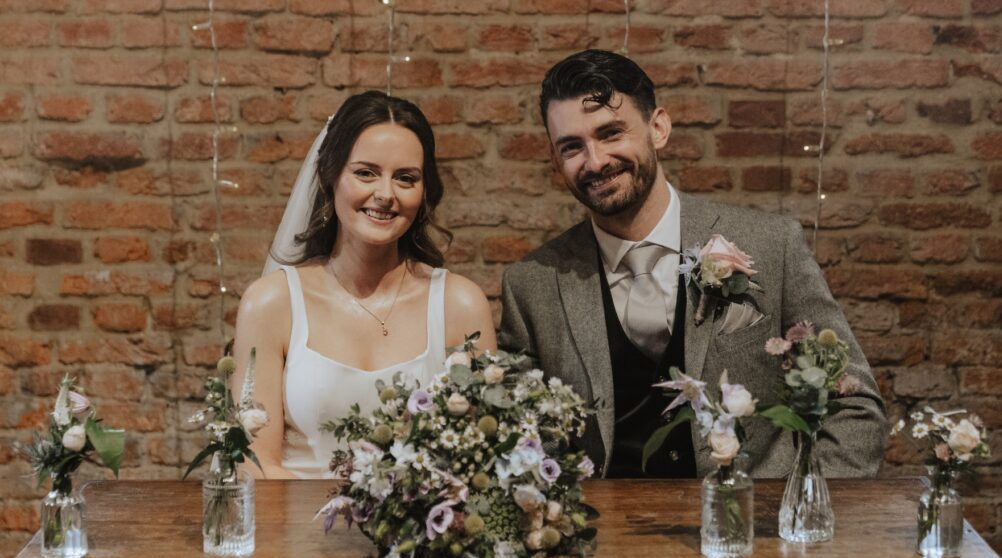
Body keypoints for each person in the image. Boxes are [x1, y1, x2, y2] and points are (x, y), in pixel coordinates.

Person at [498, 49, 887, 479]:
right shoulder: (531, 285)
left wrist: (793, 511)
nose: (595, 162)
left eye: (610, 133)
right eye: (572, 147)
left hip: (752, 528)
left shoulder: (772, 245)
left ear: (659, 128)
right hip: (603, 537)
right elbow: (523, 440)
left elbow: (853, 405)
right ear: (555, 160)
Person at [233, 91, 496, 479]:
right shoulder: (272, 303)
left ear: (424, 193)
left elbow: (483, 460)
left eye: (405, 178)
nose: (385, 194)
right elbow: (255, 464)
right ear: (331, 176)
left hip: (421, 534)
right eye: (366, 173)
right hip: (294, 530)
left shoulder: (460, 304)